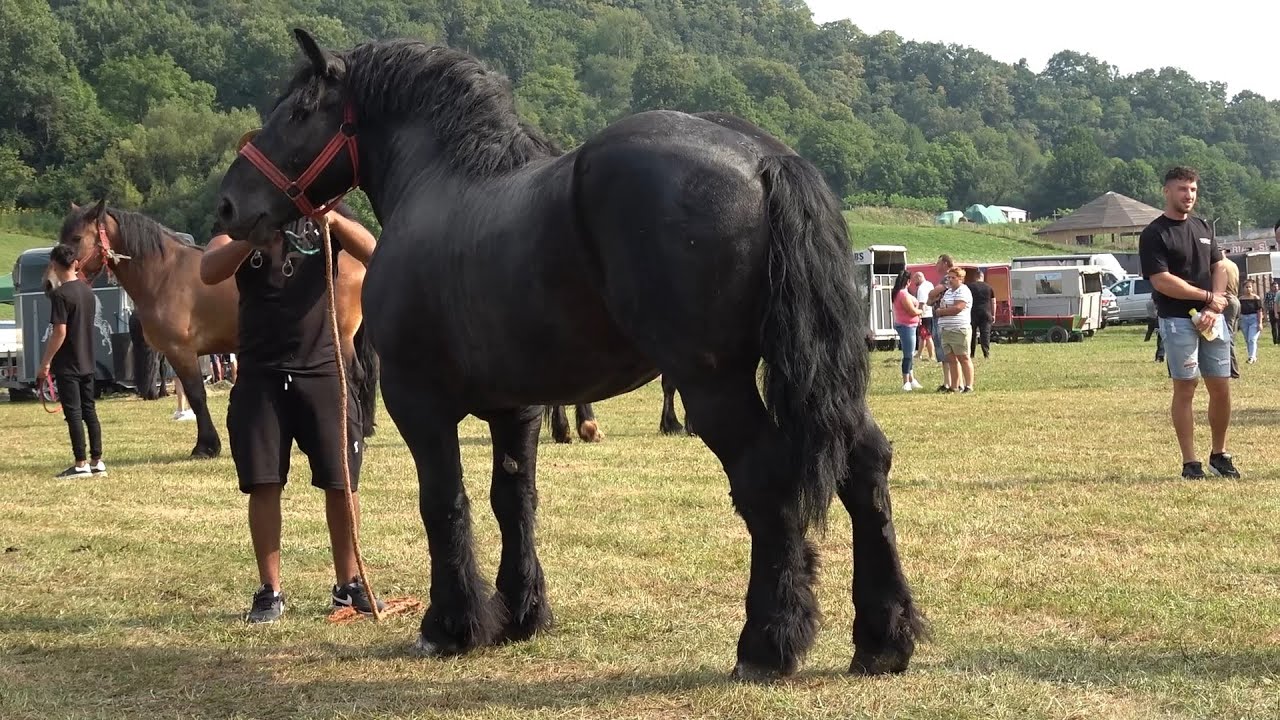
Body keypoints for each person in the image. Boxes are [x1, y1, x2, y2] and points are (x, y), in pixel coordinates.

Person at [200, 197, 379, 624]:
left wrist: (332, 219)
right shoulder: (243, 217)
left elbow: (374, 251)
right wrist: (249, 238)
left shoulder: (322, 212)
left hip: (323, 369)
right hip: (261, 373)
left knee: (342, 482)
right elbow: (209, 269)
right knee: (264, 482)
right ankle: (270, 591)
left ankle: (348, 585)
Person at [1138, 166, 1238, 480]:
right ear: (1167, 191)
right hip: (1177, 320)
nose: (1189, 195)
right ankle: (1190, 462)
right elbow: (1162, 281)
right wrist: (1207, 296)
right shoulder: (1155, 233)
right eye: (1182, 189)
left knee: (1220, 386)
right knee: (1186, 387)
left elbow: (1219, 266)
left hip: (1212, 319)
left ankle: (1219, 455)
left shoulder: (1203, 226)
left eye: (1193, 189)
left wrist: (1215, 302)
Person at [37, 244, 107, 478]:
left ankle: (80, 464)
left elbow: (60, 332)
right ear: (76, 263)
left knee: (74, 413)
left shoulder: (60, 295)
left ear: (54, 265)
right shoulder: (88, 292)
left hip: (68, 363)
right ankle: (97, 461)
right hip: (88, 360)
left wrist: (46, 362)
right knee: (90, 410)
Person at [936, 266, 974, 393]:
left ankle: (968, 386)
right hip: (946, 329)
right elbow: (944, 305)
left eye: (953, 277)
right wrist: (944, 310)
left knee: (963, 358)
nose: (950, 280)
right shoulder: (948, 292)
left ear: (960, 279)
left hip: (959, 329)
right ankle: (954, 386)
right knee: (951, 359)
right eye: (949, 278)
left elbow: (957, 308)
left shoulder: (963, 291)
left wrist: (941, 312)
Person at [890, 270, 924, 391]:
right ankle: (906, 381)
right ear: (908, 281)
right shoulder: (903, 294)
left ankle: (911, 379)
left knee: (910, 353)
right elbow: (912, 311)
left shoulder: (899, 292)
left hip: (908, 325)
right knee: (908, 354)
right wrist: (921, 311)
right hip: (907, 326)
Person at [925, 254, 955, 362]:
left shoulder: (948, 277)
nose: (936, 265)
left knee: (942, 345)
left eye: (938, 263)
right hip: (937, 314)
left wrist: (932, 296)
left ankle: (949, 368)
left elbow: (932, 293)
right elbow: (929, 300)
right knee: (938, 343)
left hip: (943, 316)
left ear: (945, 264)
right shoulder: (944, 278)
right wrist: (932, 298)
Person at [965, 267, 995, 359]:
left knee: (972, 334)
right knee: (985, 333)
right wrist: (993, 314)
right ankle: (986, 353)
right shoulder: (989, 287)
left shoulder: (969, 287)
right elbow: (993, 302)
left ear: (975, 277)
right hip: (986, 312)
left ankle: (971, 354)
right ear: (982, 276)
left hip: (972, 312)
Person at [912, 271, 934, 362]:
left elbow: (922, 303)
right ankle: (919, 354)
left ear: (919, 277)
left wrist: (919, 315)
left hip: (924, 315)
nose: (914, 282)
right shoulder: (930, 284)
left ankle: (931, 355)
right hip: (930, 313)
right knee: (923, 336)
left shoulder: (921, 288)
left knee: (926, 335)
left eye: (914, 279)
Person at [1239, 278, 1262, 364]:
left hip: (1254, 319)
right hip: (1244, 319)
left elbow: (1259, 311)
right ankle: (1251, 356)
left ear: (1252, 288)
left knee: (1252, 339)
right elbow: (1239, 311)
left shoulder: (1256, 298)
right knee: (1247, 339)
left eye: (1250, 287)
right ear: (1243, 288)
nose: (1248, 289)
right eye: (1246, 287)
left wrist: (1260, 323)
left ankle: (1251, 357)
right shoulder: (1241, 299)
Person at [1144, 296, 1164, 362]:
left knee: (1151, 332)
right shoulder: (1158, 303)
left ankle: (1159, 357)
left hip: (1152, 318)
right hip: (1158, 320)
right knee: (1161, 340)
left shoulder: (1148, 302)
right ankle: (1160, 356)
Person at [1265, 279, 1279, 345]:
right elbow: (1265, 303)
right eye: (1274, 286)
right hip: (1271, 311)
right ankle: (1275, 341)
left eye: (1277, 286)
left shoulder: (1279, 293)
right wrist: (1265, 313)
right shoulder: (1268, 294)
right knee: (1274, 327)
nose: (1276, 288)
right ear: (1271, 287)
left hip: (1279, 311)